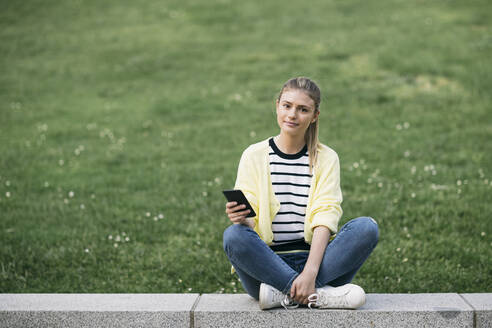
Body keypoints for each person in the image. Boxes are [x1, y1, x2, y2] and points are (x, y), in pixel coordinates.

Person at [222, 76, 379, 310]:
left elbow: (325, 215)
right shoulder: (254, 155)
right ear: (277, 106)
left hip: (318, 264)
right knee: (234, 235)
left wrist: (309, 272)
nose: (292, 115)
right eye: (287, 106)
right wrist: (243, 218)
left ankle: (289, 293)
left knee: (367, 228)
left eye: (303, 109)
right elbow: (251, 226)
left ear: (314, 116)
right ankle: (319, 295)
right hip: (267, 268)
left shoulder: (327, 158)